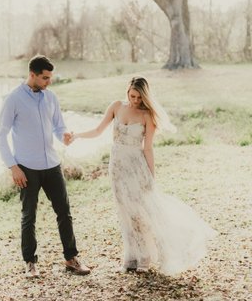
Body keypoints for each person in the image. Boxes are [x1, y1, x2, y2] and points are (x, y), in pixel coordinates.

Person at [66, 76, 216, 275]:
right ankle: (131, 257)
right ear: (127, 90)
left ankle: (145, 257)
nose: (135, 100)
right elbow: (97, 130)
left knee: (140, 213)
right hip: (117, 167)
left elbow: (148, 149)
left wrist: (150, 177)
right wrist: (76, 136)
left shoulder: (147, 115)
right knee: (124, 212)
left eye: (139, 97)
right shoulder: (116, 106)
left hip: (137, 167)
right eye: (132, 95)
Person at [0, 55, 90, 278]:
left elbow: (58, 126)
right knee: (29, 216)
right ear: (32, 75)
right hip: (26, 167)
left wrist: (63, 136)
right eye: (45, 78)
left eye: (50, 78)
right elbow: (0, 136)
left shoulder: (51, 97)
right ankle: (30, 263)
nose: (49, 82)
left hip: (52, 164)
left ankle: (71, 258)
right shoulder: (13, 99)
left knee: (64, 213)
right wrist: (13, 166)